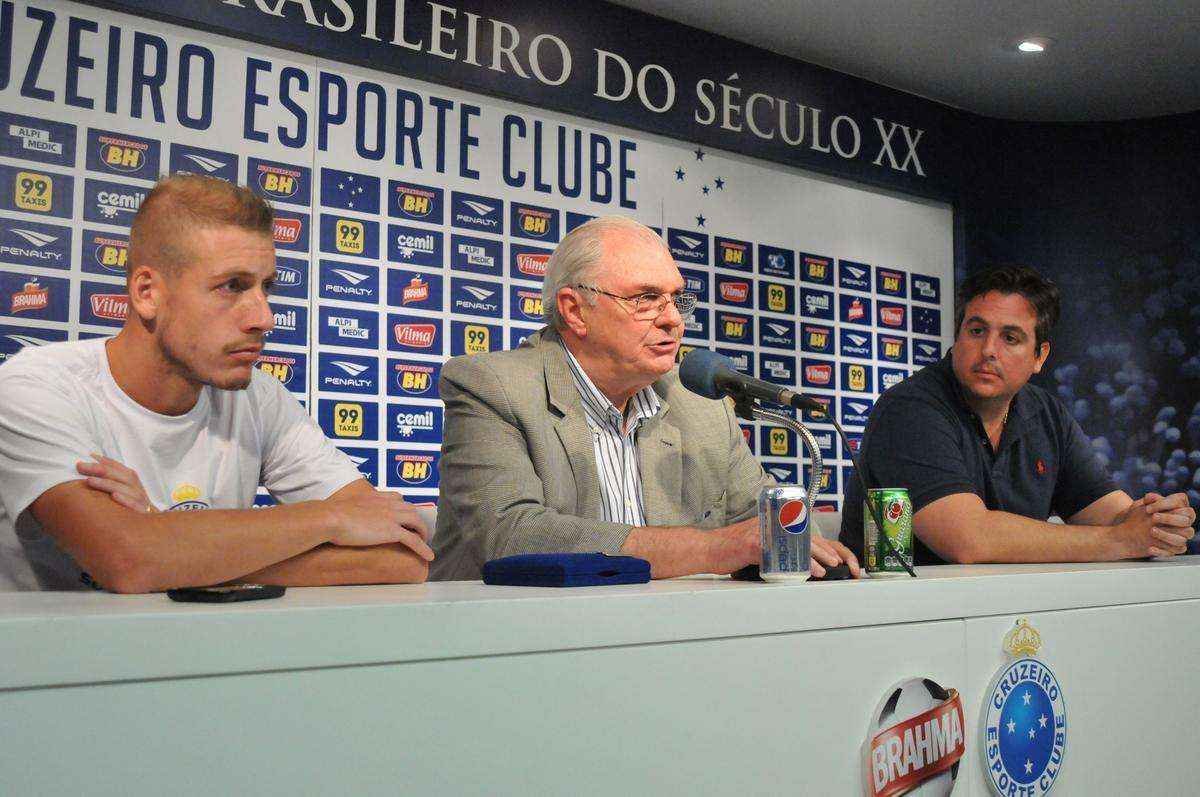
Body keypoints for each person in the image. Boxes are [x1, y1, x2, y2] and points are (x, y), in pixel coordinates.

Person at [0, 174, 433, 592]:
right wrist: (330, 518)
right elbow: (127, 560)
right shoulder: (36, 388)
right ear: (147, 292)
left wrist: (166, 540)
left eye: (266, 287)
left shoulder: (261, 397)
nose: (263, 317)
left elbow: (400, 556)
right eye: (232, 286)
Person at [432, 215, 858, 580]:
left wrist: (805, 549)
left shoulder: (702, 407)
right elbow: (511, 536)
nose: (673, 319)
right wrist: (712, 549)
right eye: (647, 299)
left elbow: (772, 529)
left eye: (677, 299)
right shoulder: (492, 386)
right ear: (575, 310)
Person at [839, 265, 1195, 564]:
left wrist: (1158, 524)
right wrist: (1120, 541)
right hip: (898, 621)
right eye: (976, 331)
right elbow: (968, 539)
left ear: (1040, 356)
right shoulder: (911, 409)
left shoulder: (1046, 414)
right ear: (958, 336)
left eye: (1010, 338)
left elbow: (1115, 515)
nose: (988, 350)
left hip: (1002, 615)